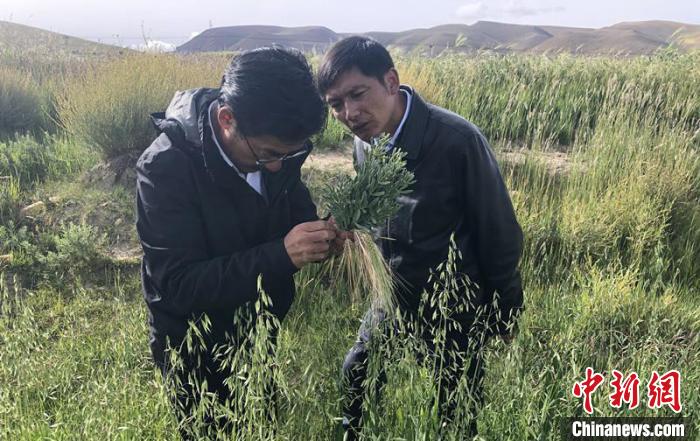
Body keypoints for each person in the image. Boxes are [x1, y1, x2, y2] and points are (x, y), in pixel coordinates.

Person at [317, 36, 524, 439]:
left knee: (456, 402)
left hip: (452, 302)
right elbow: (374, 210)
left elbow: (498, 231)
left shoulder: (457, 140)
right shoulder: (364, 142)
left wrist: (505, 310)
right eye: (336, 104)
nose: (350, 113)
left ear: (391, 82)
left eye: (358, 94)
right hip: (391, 294)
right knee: (357, 373)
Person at [136, 47, 343, 437]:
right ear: (227, 118)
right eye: (268, 155)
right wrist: (283, 255)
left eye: (291, 153)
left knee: (260, 426)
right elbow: (179, 286)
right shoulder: (165, 168)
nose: (280, 166)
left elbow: (293, 209)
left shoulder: (277, 149)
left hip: (260, 331)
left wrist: (321, 235)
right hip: (194, 346)